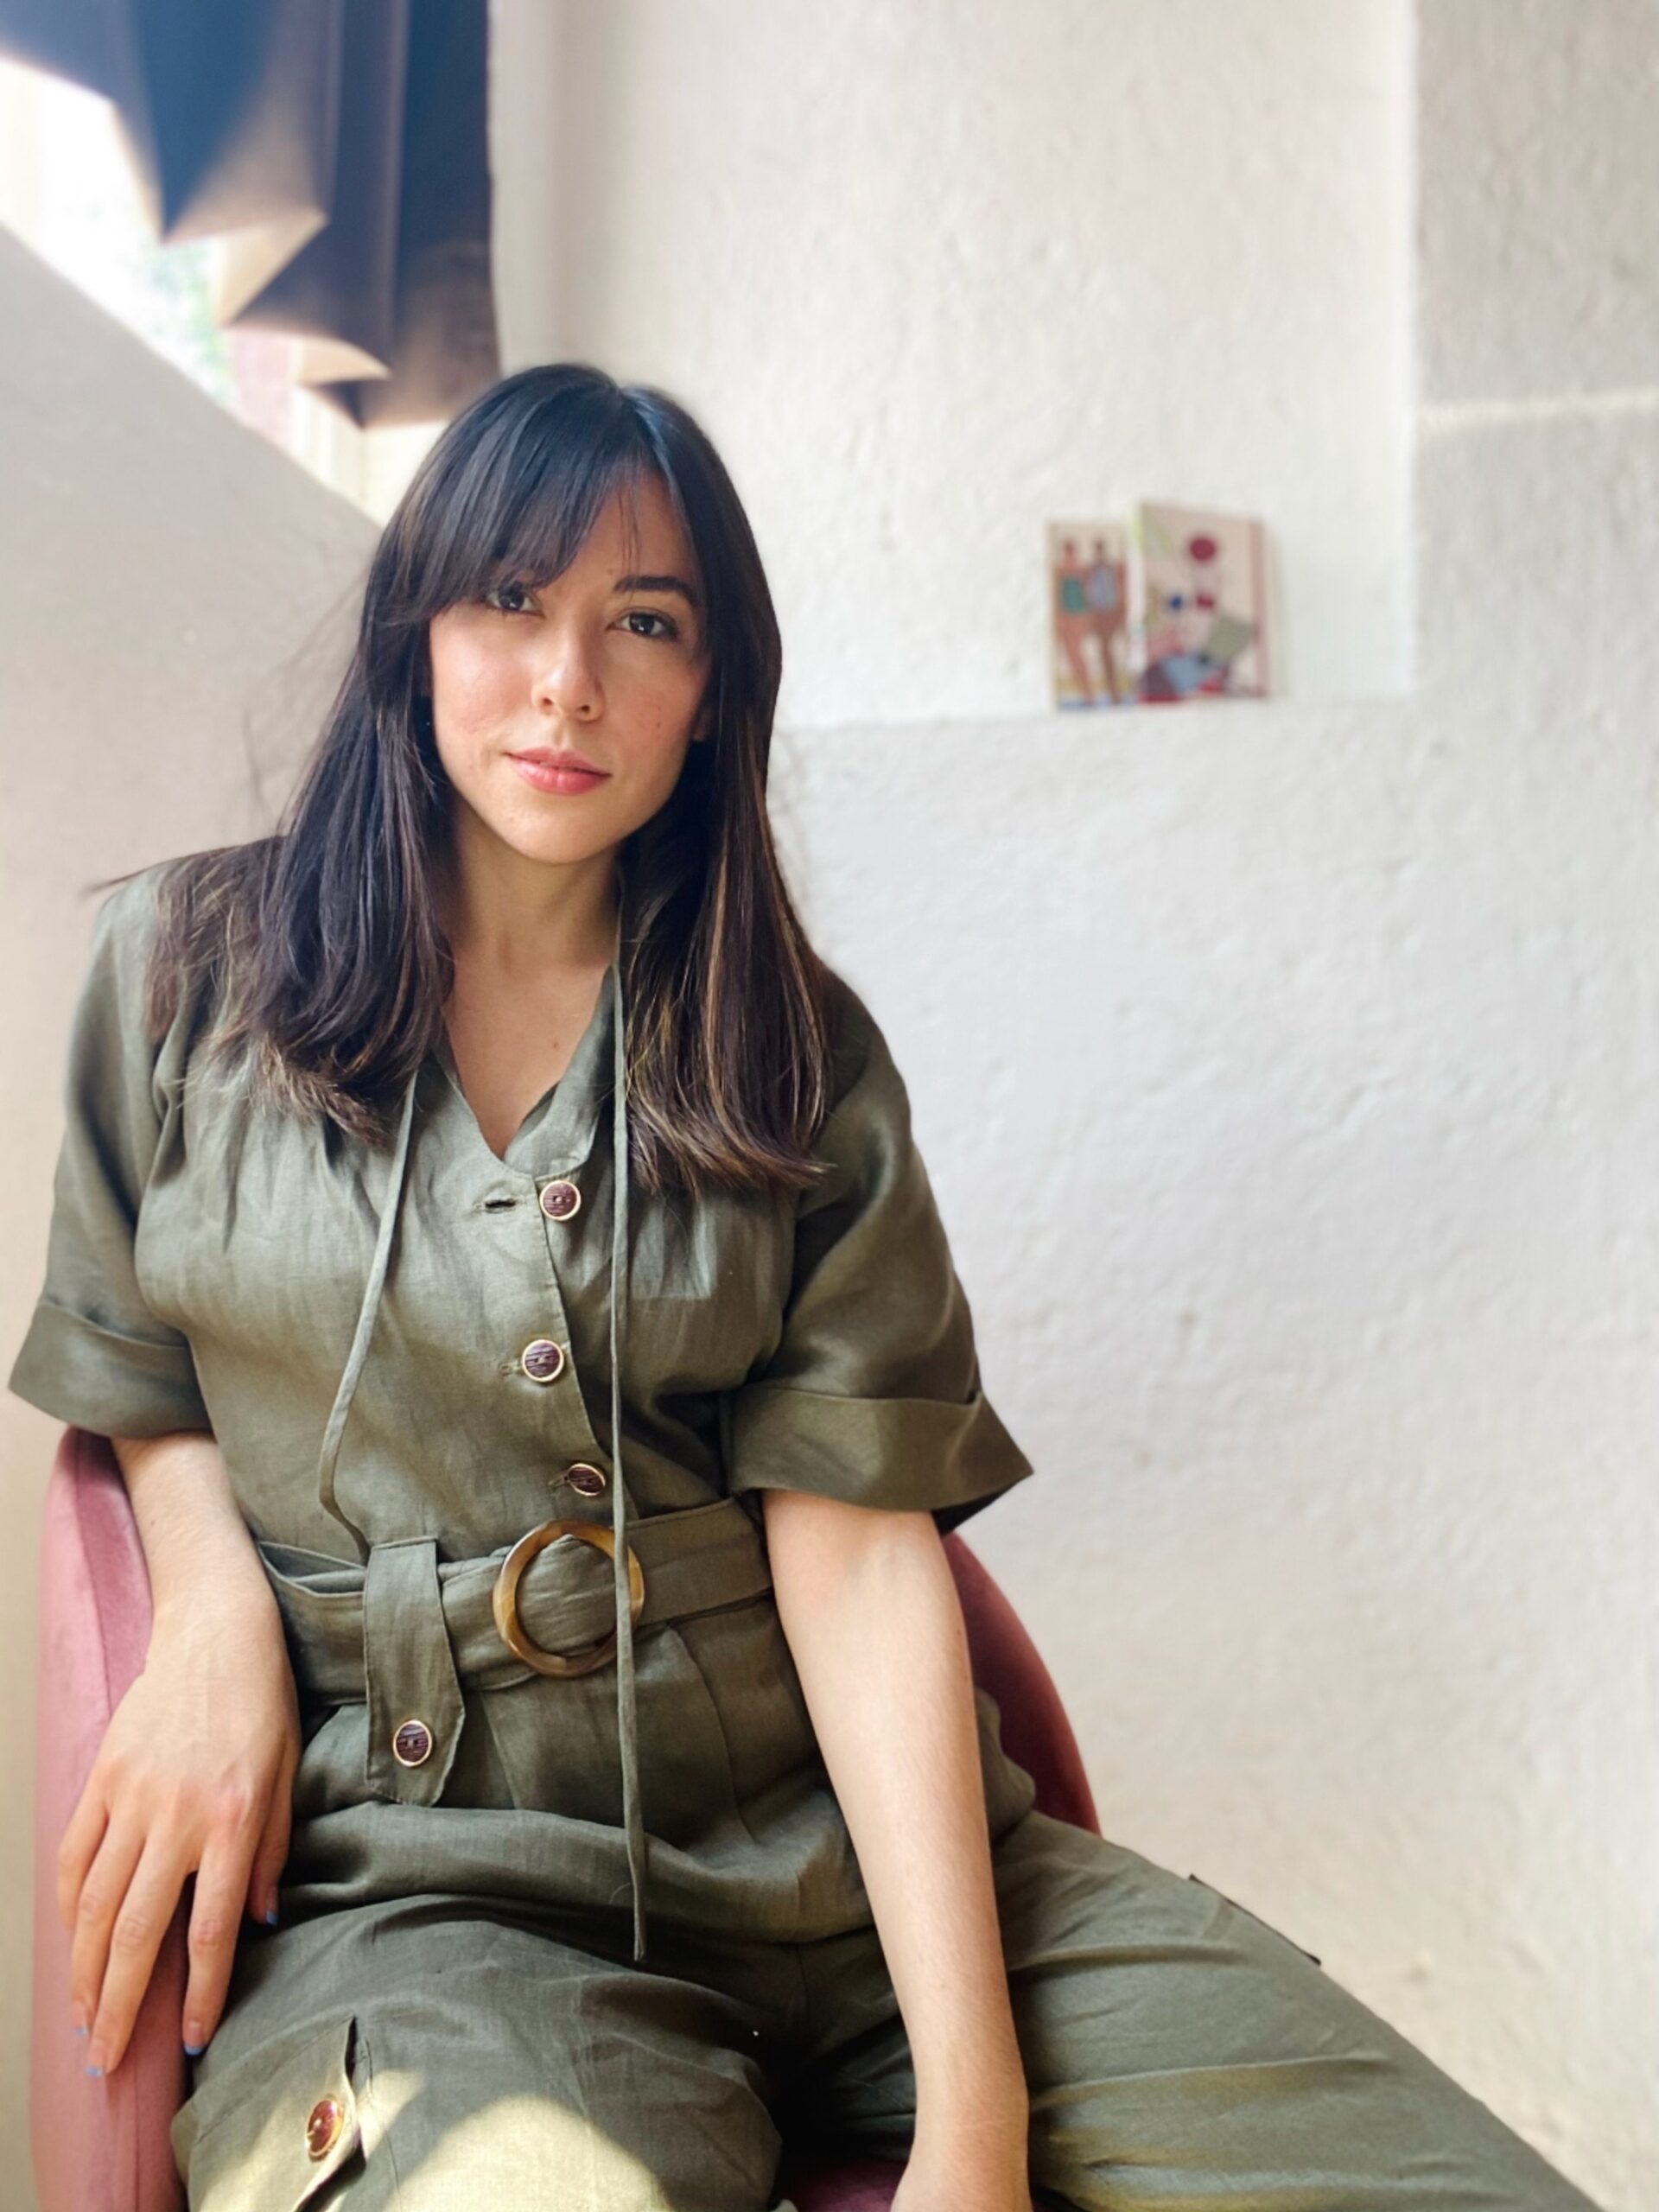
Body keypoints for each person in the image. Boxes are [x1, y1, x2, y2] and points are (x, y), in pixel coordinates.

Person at [9, 363, 1600, 2212]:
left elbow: (855, 1544)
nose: (567, 680)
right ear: (415, 627)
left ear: (712, 692)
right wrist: (209, 1607)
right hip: (439, 1892)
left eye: (646, 622)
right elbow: (134, 1367)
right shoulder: (180, 976)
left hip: (835, 1858)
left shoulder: (793, 1045)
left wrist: (974, 2116)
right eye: (510, 598)